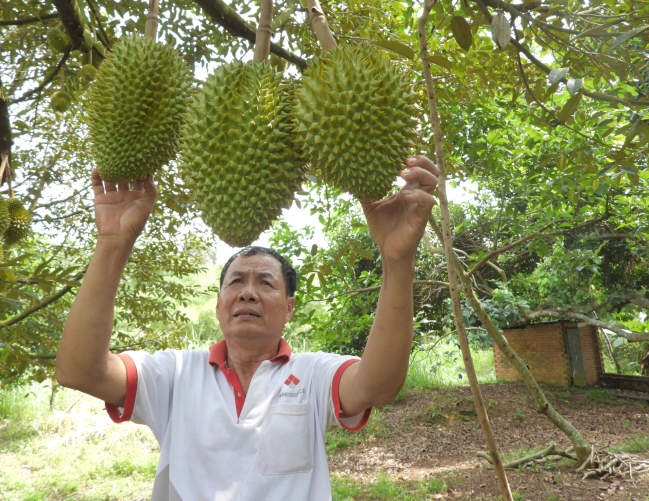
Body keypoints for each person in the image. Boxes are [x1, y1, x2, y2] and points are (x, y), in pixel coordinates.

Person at [56, 155, 440, 500]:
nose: (248, 294)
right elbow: (79, 371)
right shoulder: (174, 374)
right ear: (219, 303)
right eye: (236, 282)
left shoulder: (312, 375)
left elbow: (379, 386)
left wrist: (398, 259)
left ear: (289, 308)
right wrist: (113, 241)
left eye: (266, 284)